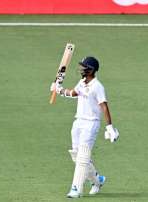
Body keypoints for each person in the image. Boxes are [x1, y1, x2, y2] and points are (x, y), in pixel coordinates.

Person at [50, 56, 119, 198]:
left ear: (91, 70)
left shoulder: (97, 87)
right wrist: (59, 90)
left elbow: (104, 106)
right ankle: (97, 180)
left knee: (82, 156)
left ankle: (76, 189)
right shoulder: (82, 82)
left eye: (84, 67)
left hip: (91, 123)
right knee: (76, 155)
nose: (81, 69)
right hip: (78, 122)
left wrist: (110, 127)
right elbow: (74, 93)